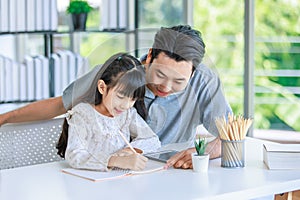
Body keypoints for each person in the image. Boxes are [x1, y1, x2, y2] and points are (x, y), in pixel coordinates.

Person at [0, 25, 232, 169]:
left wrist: (204, 152)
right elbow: (59, 105)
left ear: (194, 72)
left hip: (171, 176)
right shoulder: (117, 75)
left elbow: (231, 134)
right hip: (114, 175)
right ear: (150, 55)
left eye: (179, 81)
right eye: (160, 74)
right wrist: (7, 116)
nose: (166, 87)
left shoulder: (204, 80)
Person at [57, 53, 161, 171]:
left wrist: (128, 151)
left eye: (133, 99)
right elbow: (74, 155)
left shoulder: (127, 114)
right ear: (102, 87)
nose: (126, 105)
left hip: (119, 180)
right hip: (89, 181)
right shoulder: (82, 113)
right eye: (120, 96)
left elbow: (152, 139)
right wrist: (114, 160)